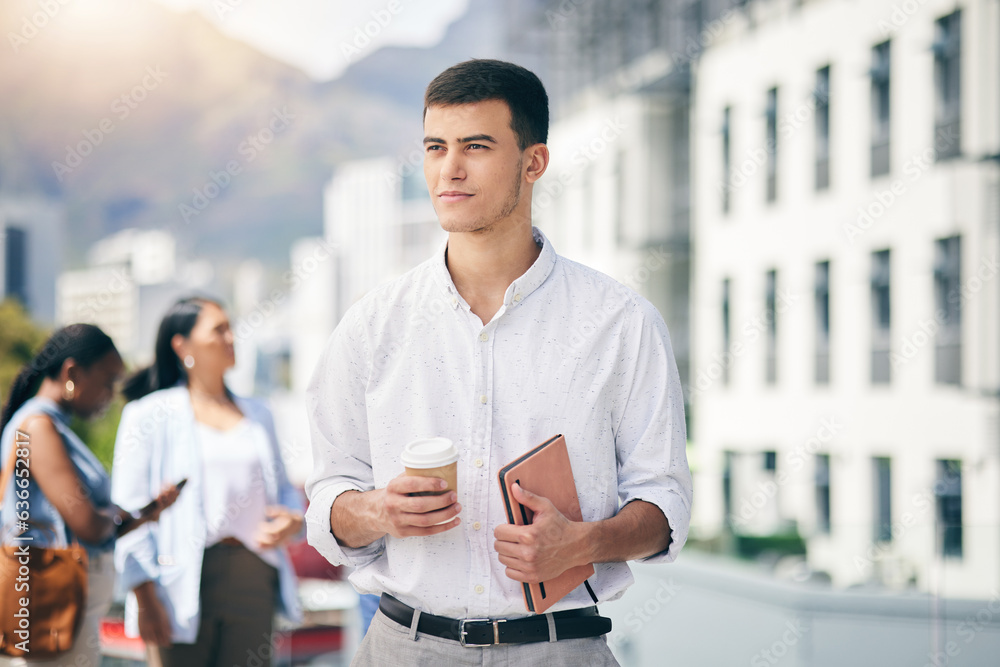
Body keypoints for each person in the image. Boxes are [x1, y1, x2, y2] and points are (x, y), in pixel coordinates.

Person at [304, 59, 693, 665]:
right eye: (435, 147)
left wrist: (581, 542)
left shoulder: (622, 323)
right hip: (403, 649)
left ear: (533, 162)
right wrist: (378, 509)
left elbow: (664, 505)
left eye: (476, 146)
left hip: (561, 650)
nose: (448, 170)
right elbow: (328, 497)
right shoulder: (372, 325)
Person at [111, 297, 303, 667]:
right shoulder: (148, 415)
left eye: (230, 327)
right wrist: (144, 598)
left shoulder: (259, 413)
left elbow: (283, 493)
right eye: (219, 329)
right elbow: (128, 512)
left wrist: (293, 521)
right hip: (177, 583)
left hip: (254, 577)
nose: (232, 337)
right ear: (182, 345)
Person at [0, 324, 179, 666]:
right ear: (72, 372)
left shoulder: (50, 426)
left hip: (61, 609)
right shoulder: (38, 426)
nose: (111, 394)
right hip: (52, 608)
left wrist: (143, 514)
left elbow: (95, 524)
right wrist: (122, 514)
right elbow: (89, 526)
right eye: (108, 381)